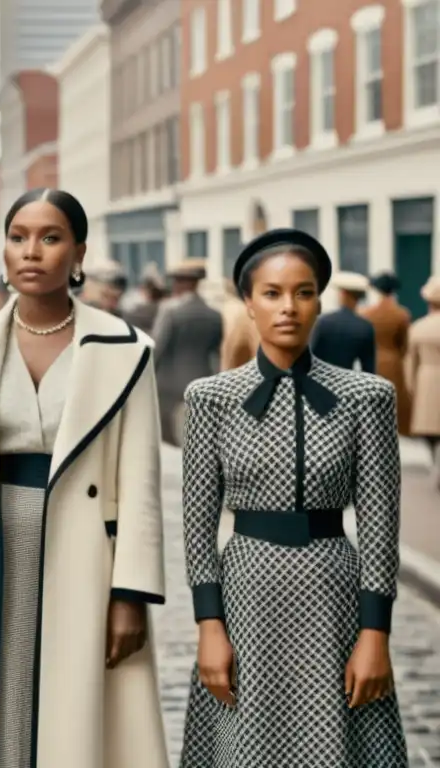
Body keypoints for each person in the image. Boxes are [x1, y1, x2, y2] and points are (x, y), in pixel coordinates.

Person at [0, 187, 169, 768]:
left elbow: (140, 483)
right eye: (18, 237)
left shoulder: (126, 349)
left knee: (78, 718)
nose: (31, 251)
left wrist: (129, 593)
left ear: (78, 254)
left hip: (87, 557)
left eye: (50, 238)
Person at [179, 229, 407, 767]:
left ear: (319, 303)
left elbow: (379, 524)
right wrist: (209, 626)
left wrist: (375, 632)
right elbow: (196, 525)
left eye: (304, 293)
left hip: (334, 598)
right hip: (245, 600)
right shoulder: (210, 399)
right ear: (248, 304)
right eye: (272, 293)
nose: (289, 308)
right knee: (246, 749)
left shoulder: (367, 397)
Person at [152, 258, 223, 446]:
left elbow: (157, 349)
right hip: (202, 384)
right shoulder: (214, 314)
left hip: (169, 390)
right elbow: (215, 354)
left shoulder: (170, 311)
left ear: (183, 283)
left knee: (172, 444)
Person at [361, 271, 412, 434]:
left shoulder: (366, 313)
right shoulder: (401, 314)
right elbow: (404, 344)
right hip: (393, 361)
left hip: (371, 361)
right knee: (394, 401)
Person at [406, 276, 440, 483]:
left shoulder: (418, 327)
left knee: (429, 429)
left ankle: (434, 461)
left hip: (426, 378)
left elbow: (410, 361)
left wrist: (411, 385)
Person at [311, 270, 376, 372]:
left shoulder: (324, 322)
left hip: (322, 380)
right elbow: (369, 368)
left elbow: (311, 357)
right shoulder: (365, 327)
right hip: (348, 382)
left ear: (343, 294)